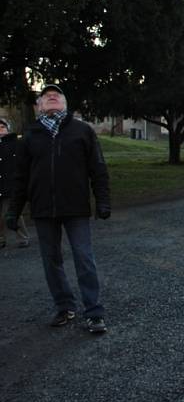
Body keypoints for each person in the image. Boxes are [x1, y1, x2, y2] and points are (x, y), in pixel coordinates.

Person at [5, 84, 111, 334]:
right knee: (51, 261)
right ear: (39, 106)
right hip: (43, 210)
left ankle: (94, 312)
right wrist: (14, 210)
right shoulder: (31, 135)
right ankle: (65, 307)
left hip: (76, 208)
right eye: (46, 96)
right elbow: (21, 178)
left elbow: (98, 169)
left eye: (58, 95)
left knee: (84, 258)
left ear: (65, 104)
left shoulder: (82, 131)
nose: (52, 96)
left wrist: (103, 200)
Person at [0, 118, 30, 248]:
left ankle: (22, 237)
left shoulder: (15, 143)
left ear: (7, 128)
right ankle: (1, 239)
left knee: (11, 212)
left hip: (9, 184)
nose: (0, 128)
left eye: (2, 126)